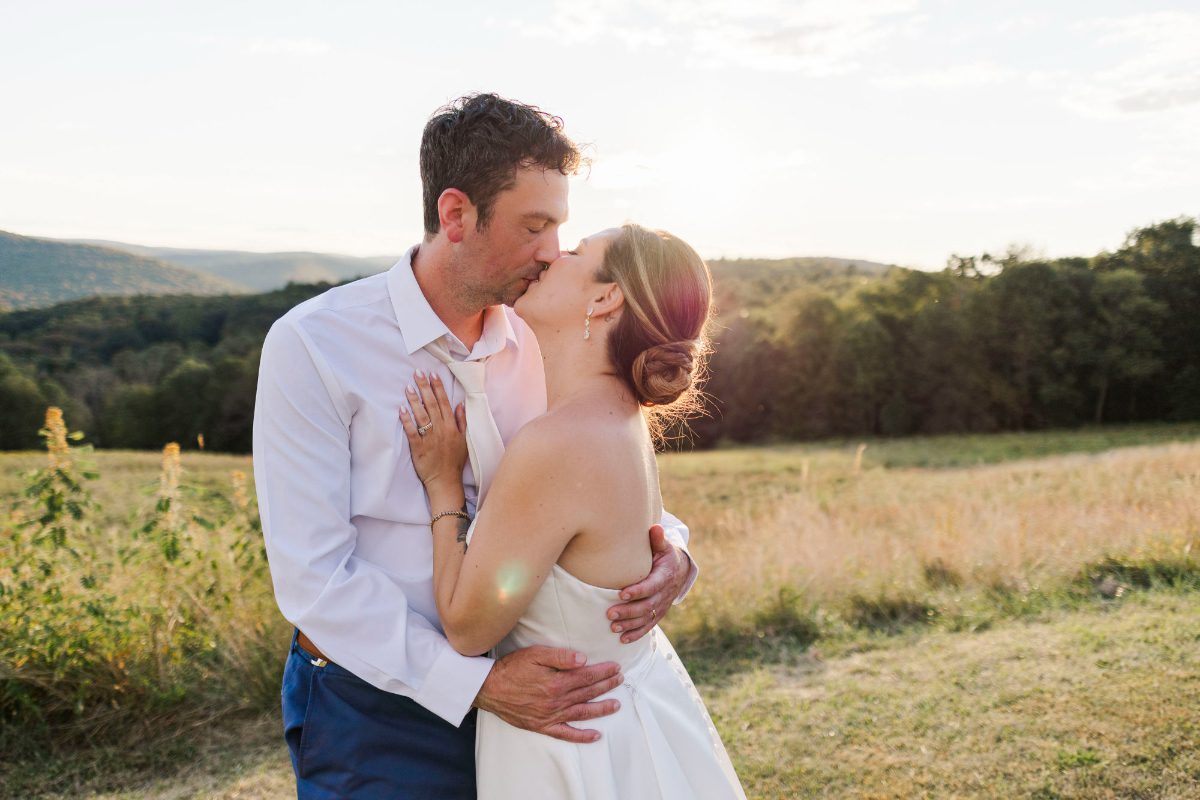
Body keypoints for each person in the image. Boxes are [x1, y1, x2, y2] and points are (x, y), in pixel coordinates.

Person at [252, 93, 699, 799]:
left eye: (562, 228)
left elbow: (595, 472)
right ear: (456, 214)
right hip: (377, 707)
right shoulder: (314, 345)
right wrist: (476, 683)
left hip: (538, 696)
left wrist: (669, 550)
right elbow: (312, 577)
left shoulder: (549, 332)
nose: (553, 252)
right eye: (535, 226)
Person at [402, 224, 746, 799]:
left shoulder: (558, 442)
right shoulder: (619, 416)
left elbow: (465, 627)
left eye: (578, 252)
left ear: (605, 297)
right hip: (630, 714)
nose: (553, 255)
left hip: (571, 741)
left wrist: (443, 487)